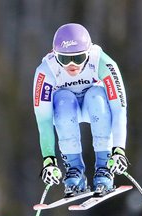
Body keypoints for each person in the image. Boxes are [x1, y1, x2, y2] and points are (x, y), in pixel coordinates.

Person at [33, 23, 129, 197]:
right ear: (55, 55)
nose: (72, 65)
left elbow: (119, 109)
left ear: (88, 52)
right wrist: (49, 160)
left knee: (96, 96)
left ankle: (104, 169)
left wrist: (118, 150)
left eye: (78, 58)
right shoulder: (45, 71)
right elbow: (44, 119)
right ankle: (74, 171)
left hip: (95, 108)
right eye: (64, 58)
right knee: (63, 100)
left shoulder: (102, 63)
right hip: (67, 110)